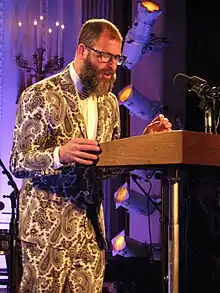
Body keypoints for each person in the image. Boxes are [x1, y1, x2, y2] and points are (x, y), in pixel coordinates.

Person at [9, 18, 172, 293]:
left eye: (116, 58)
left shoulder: (109, 103)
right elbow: (19, 161)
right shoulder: (40, 94)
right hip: (46, 233)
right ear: (82, 51)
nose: (111, 65)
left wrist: (144, 143)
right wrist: (60, 154)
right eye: (103, 55)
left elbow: (106, 164)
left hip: (89, 235)